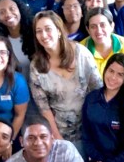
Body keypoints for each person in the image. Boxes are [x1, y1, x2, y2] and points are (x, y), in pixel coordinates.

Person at [30, 11, 102, 144]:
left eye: (48, 29)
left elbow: (98, 90)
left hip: (90, 127)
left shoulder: (81, 53)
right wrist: (58, 138)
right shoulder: (36, 66)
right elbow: (44, 108)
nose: (44, 35)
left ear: (58, 30)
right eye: (39, 31)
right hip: (59, 131)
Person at [80, 7, 124, 83]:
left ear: (112, 26)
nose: (99, 31)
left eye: (103, 25)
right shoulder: (80, 50)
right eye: (93, 27)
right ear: (88, 30)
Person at [0, 0, 36, 75]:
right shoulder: (0, 41)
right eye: (2, 12)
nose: (8, 14)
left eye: (12, 9)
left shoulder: (36, 32)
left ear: (19, 9)